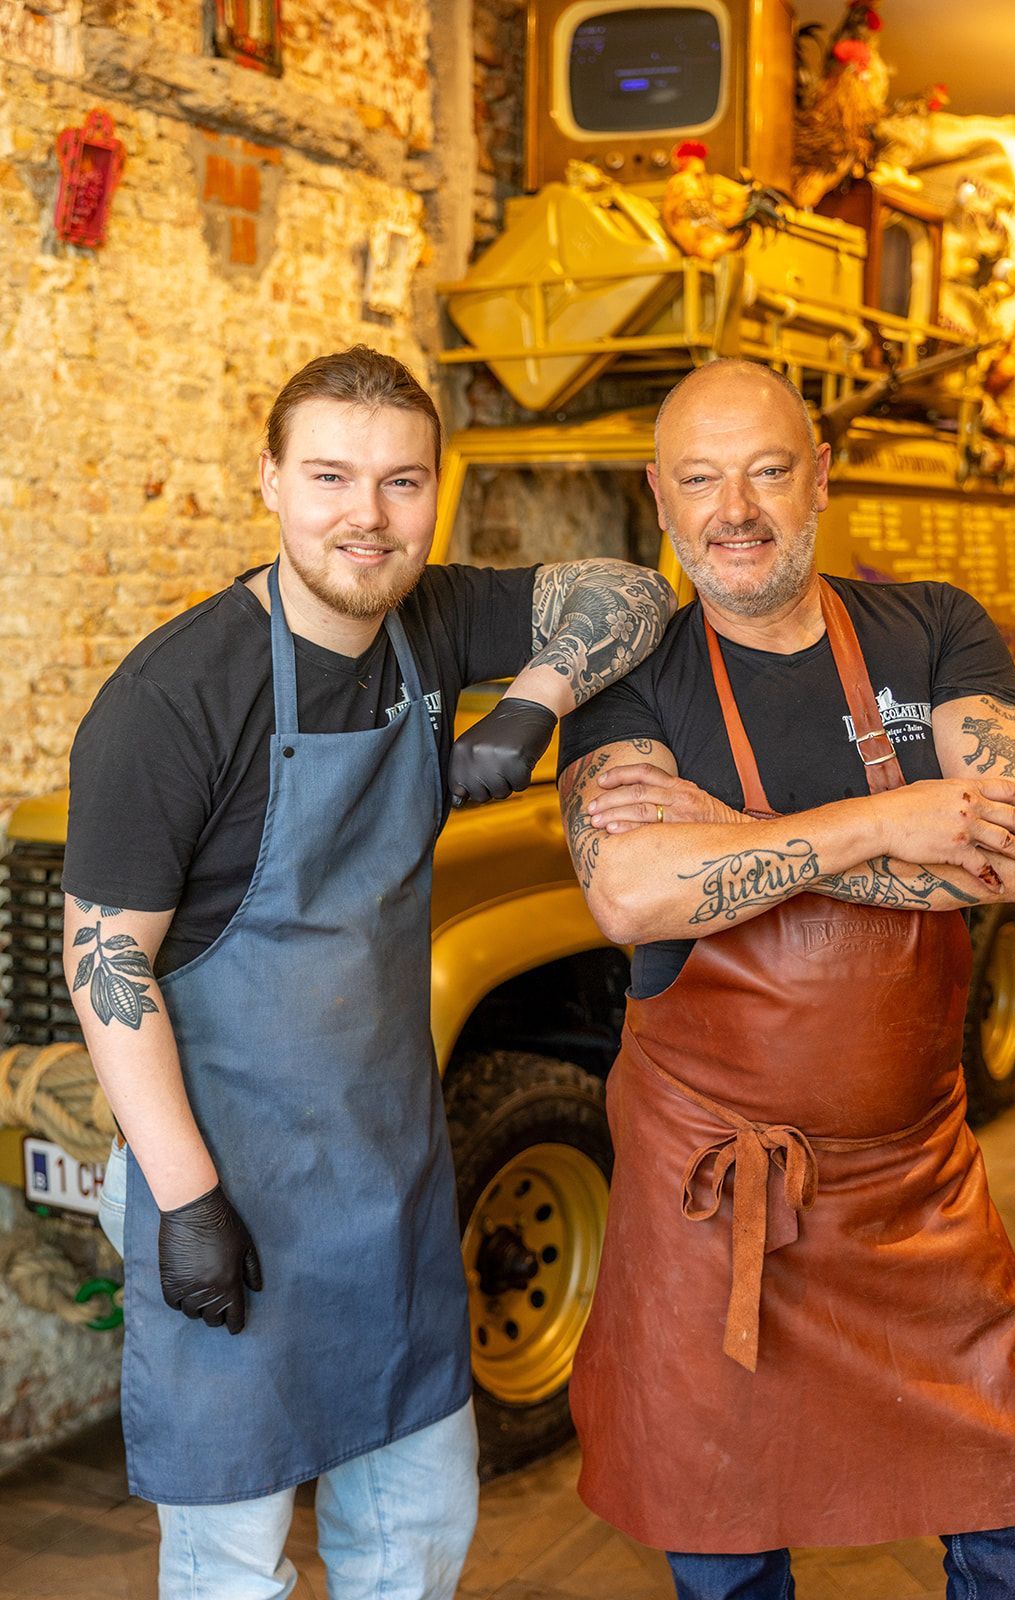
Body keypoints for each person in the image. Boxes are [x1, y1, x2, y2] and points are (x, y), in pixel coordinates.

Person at [62, 343, 675, 1600]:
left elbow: (633, 590)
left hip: (385, 1180)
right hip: (220, 1182)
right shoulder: (175, 696)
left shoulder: (435, 619)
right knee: (233, 1562)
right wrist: (183, 1203)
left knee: (414, 1536)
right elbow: (104, 961)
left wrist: (534, 701)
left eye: (403, 482)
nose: (367, 515)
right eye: (331, 476)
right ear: (269, 484)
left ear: (435, 493)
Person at [557, 358, 1015, 1599]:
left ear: (819, 479)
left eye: (767, 471)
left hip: (916, 1194)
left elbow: (1006, 862)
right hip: (710, 1201)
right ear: (660, 499)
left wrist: (723, 829)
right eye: (699, 478)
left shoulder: (934, 625)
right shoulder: (624, 673)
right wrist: (885, 821)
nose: (734, 508)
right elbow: (629, 893)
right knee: (725, 1560)